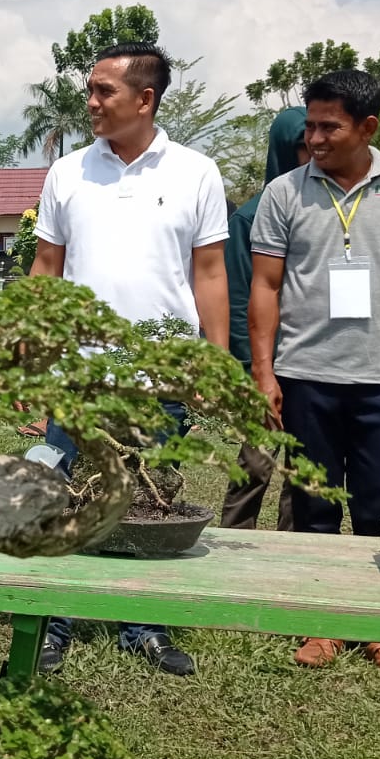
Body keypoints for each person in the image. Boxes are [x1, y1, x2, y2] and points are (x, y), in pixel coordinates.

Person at [31, 42, 231, 679]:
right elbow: (46, 269)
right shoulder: (67, 174)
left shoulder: (196, 173)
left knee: (152, 499)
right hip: (80, 376)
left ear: (145, 100)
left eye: (103, 92)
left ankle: (142, 625)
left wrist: (213, 365)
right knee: (66, 497)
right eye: (89, 90)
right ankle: (54, 624)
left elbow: (208, 274)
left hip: (162, 377)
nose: (90, 102)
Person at [248, 70, 380, 675]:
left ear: (367, 127)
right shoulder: (284, 194)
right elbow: (265, 285)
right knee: (311, 505)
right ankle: (321, 624)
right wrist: (264, 371)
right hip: (305, 374)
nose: (314, 137)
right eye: (309, 125)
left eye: (328, 126)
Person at [219, 108, 306, 532]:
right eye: (302, 147)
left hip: (310, 361)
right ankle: (235, 538)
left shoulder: (323, 210)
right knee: (255, 463)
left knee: (304, 471)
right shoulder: (251, 216)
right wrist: (248, 367)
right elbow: (238, 299)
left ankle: (295, 548)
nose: (313, 154)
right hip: (263, 363)